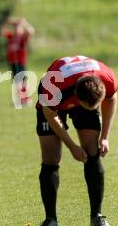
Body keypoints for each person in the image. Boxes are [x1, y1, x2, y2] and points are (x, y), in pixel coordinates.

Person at [35, 56, 117, 226]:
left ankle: (97, 216)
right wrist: (72, 146)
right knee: (51, 158)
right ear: (77, 99)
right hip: (55, 101)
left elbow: (111, 99)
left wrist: (105, 137)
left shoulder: (107, 78)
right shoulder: (53, 88)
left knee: (92, 152)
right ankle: (51, 220)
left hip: (82, 87)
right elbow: (50, 115)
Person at [1, 17, 34, 105]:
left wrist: (25, 23)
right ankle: (21, 99)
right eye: (15, 27)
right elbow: (2, 30)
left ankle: (26, 99)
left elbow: (31, 31)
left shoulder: (22, 38)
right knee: (17, 82)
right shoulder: (11, 37)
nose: (16, 29)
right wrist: (7, 22)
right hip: (12, 62)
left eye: (18, 27)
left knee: (22, 82)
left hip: (20, 62)